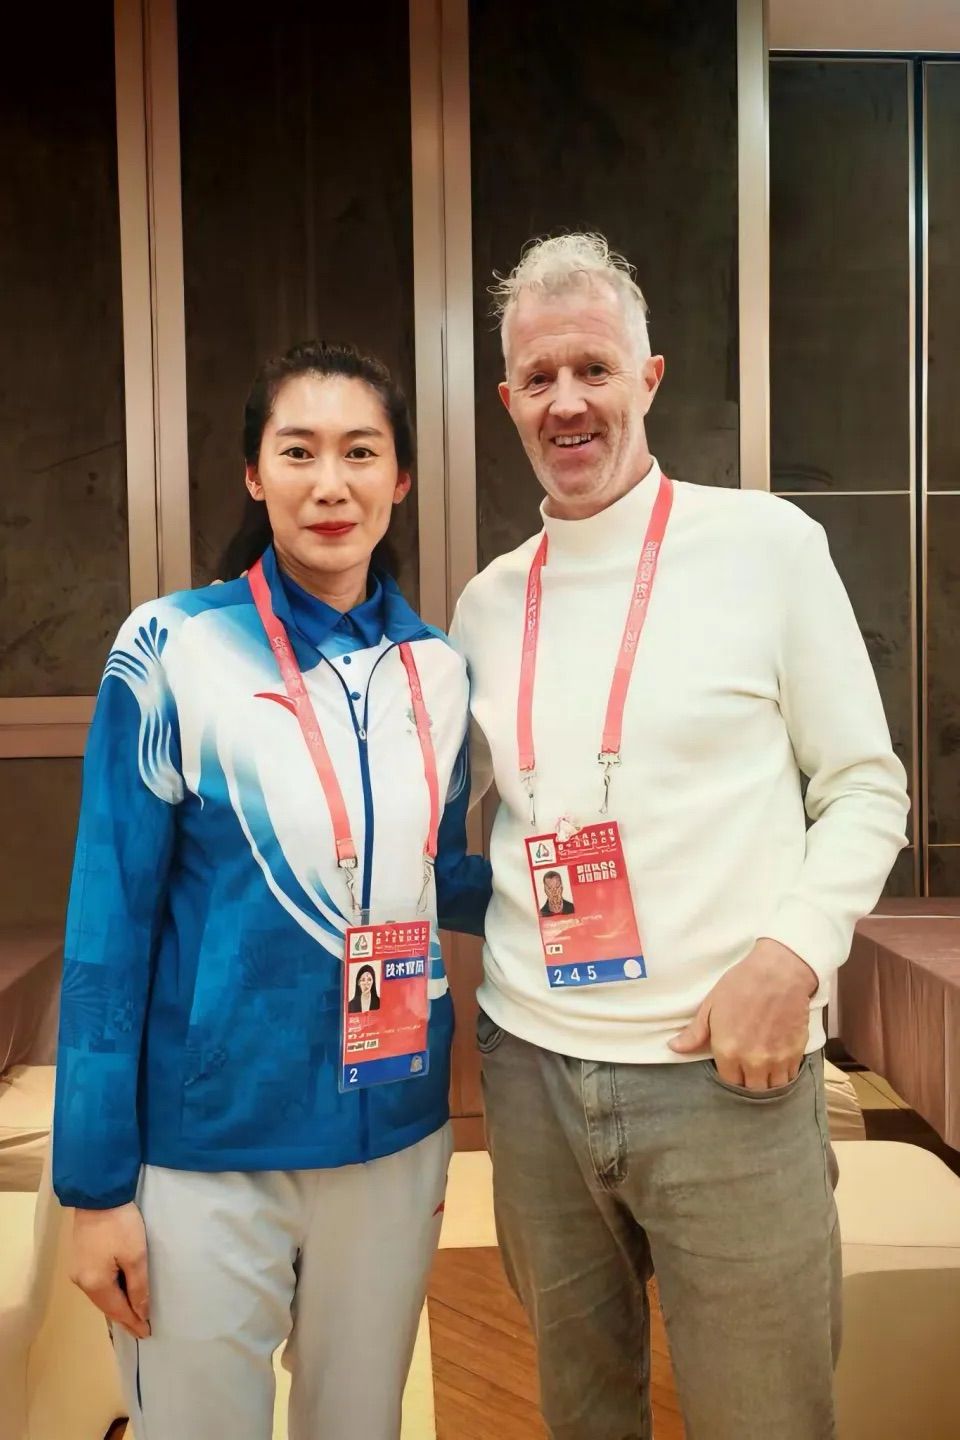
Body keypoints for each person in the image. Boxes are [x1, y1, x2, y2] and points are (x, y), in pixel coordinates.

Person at [450, 233, 909, 1440]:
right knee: (582, 1418)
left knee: (765, 1420)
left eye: (593, 369)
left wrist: (792, 960)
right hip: (532, 1078)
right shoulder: (487, 604)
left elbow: (866, 787)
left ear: (648, 379)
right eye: (539, 378)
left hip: (729, 1075)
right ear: (508, 400)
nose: (567, 401)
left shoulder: (768, 547)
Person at [54, 339, 491, 1440]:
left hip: (393, 1136)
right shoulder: (171, 647)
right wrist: (93, 1189)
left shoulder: (438, 670)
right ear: (255, 473)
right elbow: (108, 926)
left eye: (361, 452)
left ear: (401, 478)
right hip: (206, 1150)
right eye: (298, 452)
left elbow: (437, 877)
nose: (329, 483)